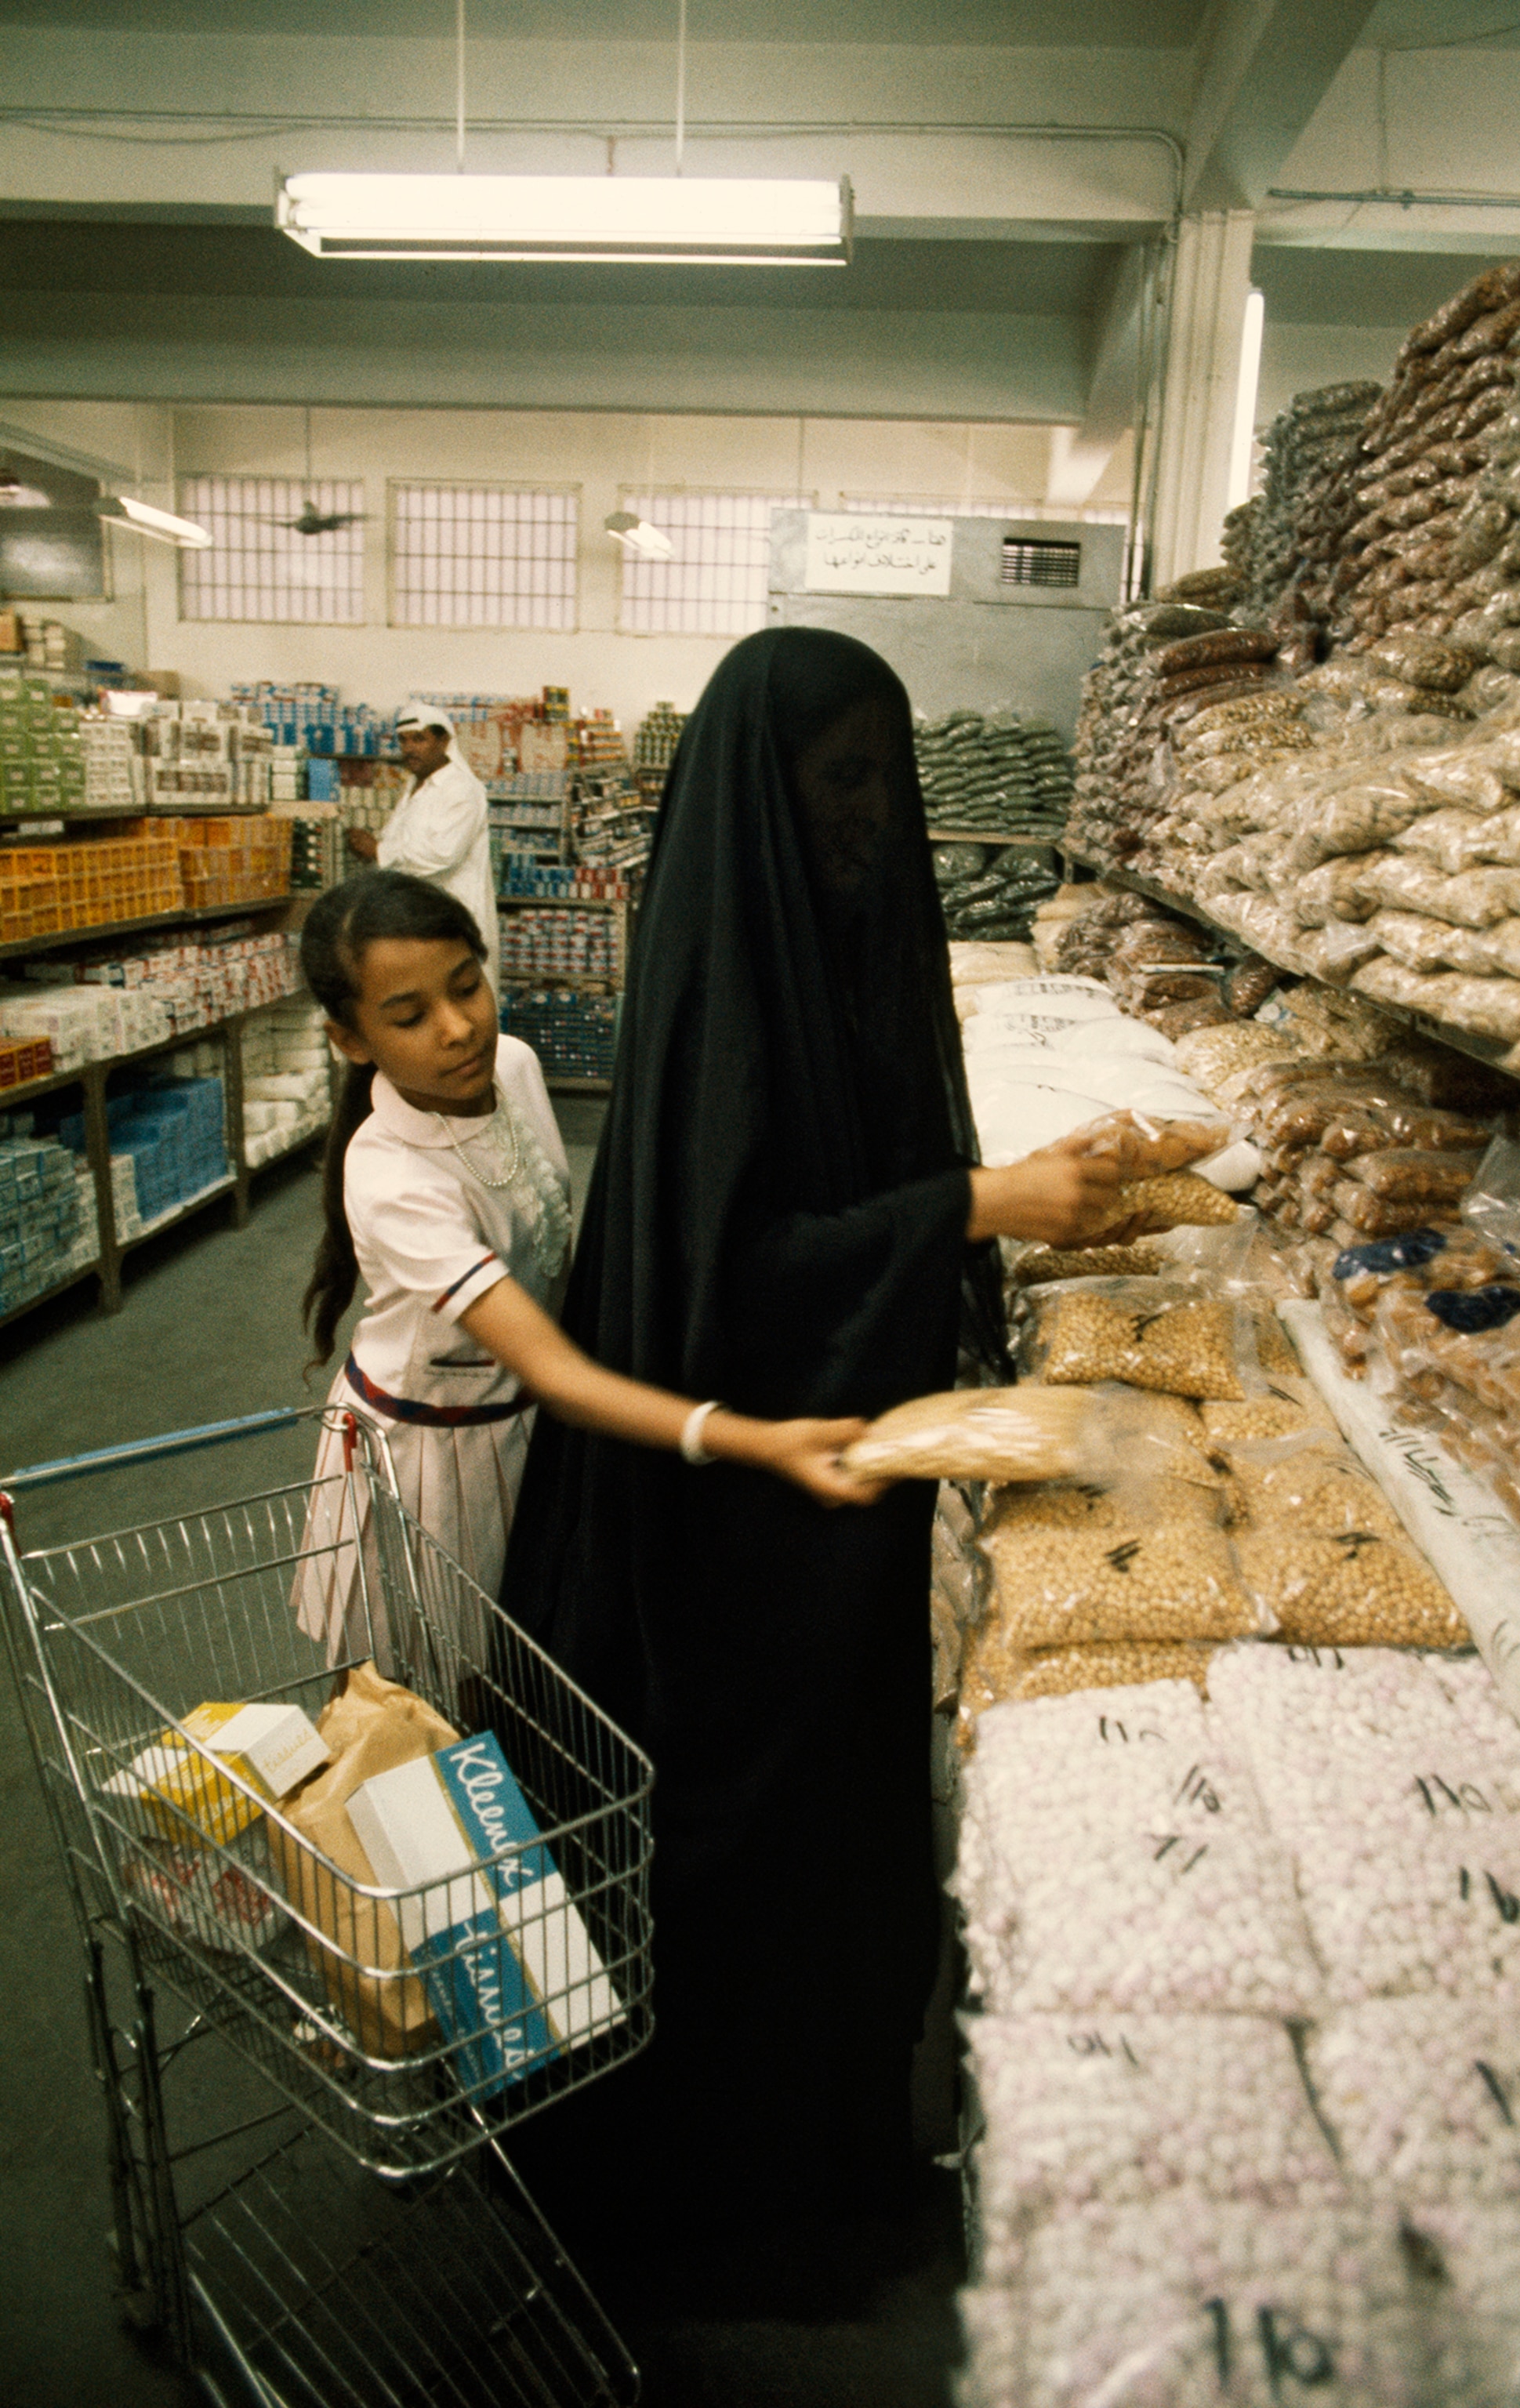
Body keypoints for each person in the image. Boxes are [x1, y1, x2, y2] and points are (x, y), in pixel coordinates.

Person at [497, 627, 1134, 2256]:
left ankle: (819, 2159)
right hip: (730, 1506)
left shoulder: (832, 946)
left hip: (829, 1474)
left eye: (885, 778)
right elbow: (742, 1269)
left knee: (831, 1835)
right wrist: (975, 1210)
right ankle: (722, 2203)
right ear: (766, 786)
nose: (871, 816)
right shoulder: (731, 982)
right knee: (748, 1848)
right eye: (839, 778)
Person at [292, 868, 877, 1670]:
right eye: (410, 1016)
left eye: (468, 987)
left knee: (515, 1665)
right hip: (431, 1457)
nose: (458, 1028)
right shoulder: (393, 1177)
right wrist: (757, 1441)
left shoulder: (517, 1069)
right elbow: (552, 1366)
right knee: (412, 1688)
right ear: (351, 1040)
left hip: (529, 1431)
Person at [346, 706, 499, 963]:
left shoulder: (461, 789)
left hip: (453, 922)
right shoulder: (416, 787)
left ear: (444, 742)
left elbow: (443, 854)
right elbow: (401, 843)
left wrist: (378, 851)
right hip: (415, 919)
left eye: (419, 739)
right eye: (403, 741)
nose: (409, 748)